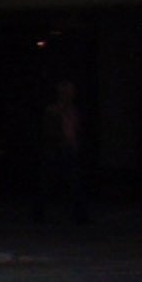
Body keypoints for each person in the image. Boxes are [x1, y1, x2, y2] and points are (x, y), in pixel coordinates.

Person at [38, 79, 89, 224]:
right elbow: (49, 131)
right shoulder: (53, 110)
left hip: (70, 149)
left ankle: (79, 215)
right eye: (68, 92)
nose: (71, 95)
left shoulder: (73, 111)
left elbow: (76, 129)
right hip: (56, 150)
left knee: (75, 181)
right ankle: (40, 213)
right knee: (48, 182)